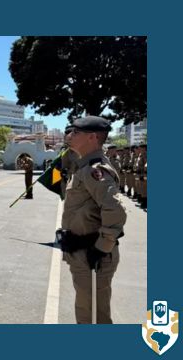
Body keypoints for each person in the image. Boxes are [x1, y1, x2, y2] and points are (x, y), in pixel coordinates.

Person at [59, 116, 126, 324]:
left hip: (92, 254)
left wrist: (101, 247)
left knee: (94, 315)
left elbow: (115, 209)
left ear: (92, 137)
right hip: (82, 250)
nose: (70, 135)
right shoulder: (84, 165)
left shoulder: (94, 169)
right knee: (87, 310)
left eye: (75, 132)